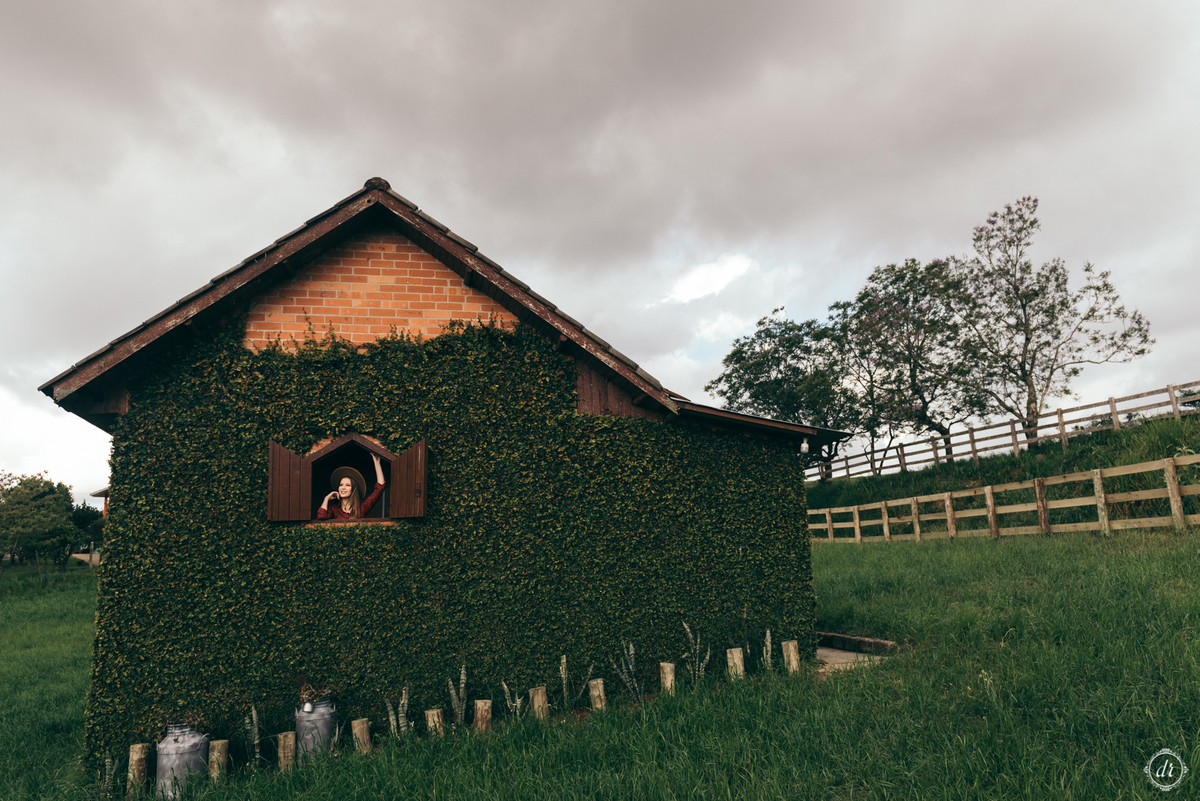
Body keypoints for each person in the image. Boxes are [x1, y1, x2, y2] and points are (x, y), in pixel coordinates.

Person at [318, 453, 385, 520]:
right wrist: (326, 499)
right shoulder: (333, 508)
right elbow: (321, 517)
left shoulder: (361, 508)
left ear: (353, 489)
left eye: (348, 485)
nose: (343, 487)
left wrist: (377, 463)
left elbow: (380, 488)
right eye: (341, 485)